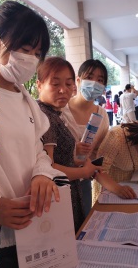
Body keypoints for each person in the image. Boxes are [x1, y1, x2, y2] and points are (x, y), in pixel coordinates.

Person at [0, 1, 64, 268]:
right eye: (25, 50)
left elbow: (38, 151)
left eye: (37, 53)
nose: (31, 60)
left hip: (34, 226)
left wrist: (42, 174)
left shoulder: (24, 98)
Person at [36, 57, 102, 232]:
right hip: (57, 199)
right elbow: (48, 168)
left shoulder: (54, 113)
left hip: (67, 193)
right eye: (55, 84)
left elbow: (58, 156)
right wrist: (84, 172)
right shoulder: (45, 116)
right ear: (39, 85)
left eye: (68, 84)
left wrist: (75, 155)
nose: (63, 90)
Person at [61, 59, 110, 216]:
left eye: (100, 80)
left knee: (83, 222)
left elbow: (98, 153)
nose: (94, 83)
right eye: (89, 77)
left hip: (84, 182)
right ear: (78, 80)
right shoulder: (60, 110)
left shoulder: (102, 115)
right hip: (58, 180)